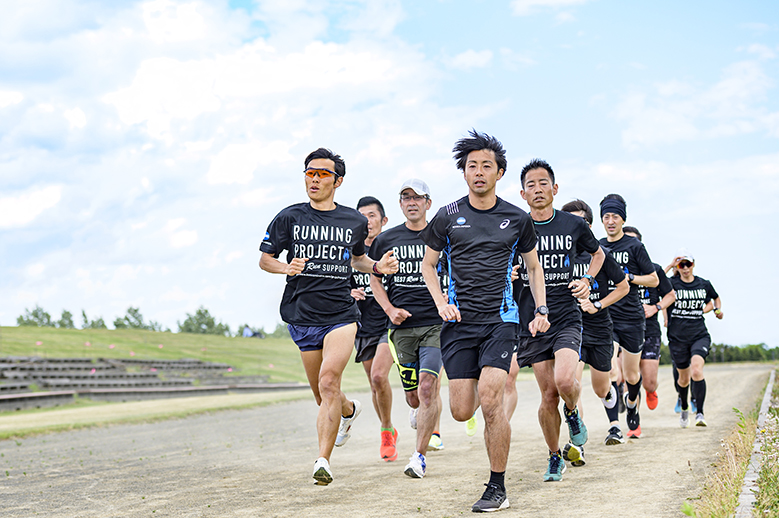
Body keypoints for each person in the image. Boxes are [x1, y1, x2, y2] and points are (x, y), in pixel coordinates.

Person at [419, 130, 547, 512]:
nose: (478, 172)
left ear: (499, 172)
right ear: (463, 173)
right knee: (461, 409)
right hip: (458, 323)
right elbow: (428, 265)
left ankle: (497, 487)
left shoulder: (516, 218)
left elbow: (534, 267)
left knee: (491, 400)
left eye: (486, 166)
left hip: (500, 320)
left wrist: (540, 310)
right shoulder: (446, 216)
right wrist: (441, 302)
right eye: (471, 166)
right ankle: (481, 410)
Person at [259, 148, 399, 485]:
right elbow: (265, 259)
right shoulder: (288, 217)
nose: (315, 179)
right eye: (310, 173)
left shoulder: (353, 221)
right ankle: (348, 411)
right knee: (323, 395)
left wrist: (378, 267)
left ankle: (323, 460)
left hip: (341, 315)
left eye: (323, 174)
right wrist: (284, 267)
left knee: (328, 382)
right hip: (302, 315)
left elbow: (358, 260)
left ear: (337, 180)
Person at [515, 163, 605, 480]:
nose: (538, 189)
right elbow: (502, 263)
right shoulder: (515, 225)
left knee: (566, 382)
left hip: (566, 315)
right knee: (548, 395)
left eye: (544, 183)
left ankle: (573, 412)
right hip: (532, 321)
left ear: (555, 189)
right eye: (531, 184)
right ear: (522, 193)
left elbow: (598, 255)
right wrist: (508, 273)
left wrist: (588, 281)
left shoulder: (572, 225)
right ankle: (554, 456)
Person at [369, 179, 446, 479]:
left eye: (418, 198)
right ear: (400, 205)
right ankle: (416, 411)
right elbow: (374, 275)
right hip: (401, 327)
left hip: (435, 323)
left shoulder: (441, 236)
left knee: (429, 387)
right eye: (406, 198)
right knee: (413, 397)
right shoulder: (386, 239)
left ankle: (419, 456)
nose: (412, 202)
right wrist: (389, 309)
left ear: (428, 203)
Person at [562, 200, 630, 447]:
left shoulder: (601, 255)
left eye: (579, 223)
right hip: (570, 328)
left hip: (599, 328)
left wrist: (598, 305)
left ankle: (614, 422)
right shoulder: (558, 258)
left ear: (588, 226)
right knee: (571, 382)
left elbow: (623, 287)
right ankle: (577, 441)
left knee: (601, 388)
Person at [599, 194, 659, 439]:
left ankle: (632, 402)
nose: (610, 221)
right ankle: (614, 426)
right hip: (607, 316)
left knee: (633, 375)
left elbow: (653, 279)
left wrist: (630, 278)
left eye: (615, 216)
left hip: (632, 318)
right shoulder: (597, 246)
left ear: (623, 219)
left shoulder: (634, 247)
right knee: (611, 369)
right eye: (606, 216)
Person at [350, 196, 397, 462]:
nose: (367, 222)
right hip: (363, 325)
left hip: (389, 322)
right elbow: (340, 284)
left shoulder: (390, 247)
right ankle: (388, 427)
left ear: (383, 220)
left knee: (379, 376)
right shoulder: (350, 253)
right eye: (362, 217)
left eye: (372, 216)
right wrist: (350, 293)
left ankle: (386, 430)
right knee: (374, 382)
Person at [622, 226, 676, 412]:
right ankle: (633, 421)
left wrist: (655, 308)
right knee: (628, 378)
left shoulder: (655, 270)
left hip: (649, 330)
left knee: (649, 382)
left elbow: (670, 295)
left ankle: (650, 390)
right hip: (624, 328)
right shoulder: (614, 269)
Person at [666, 252, 723, 427]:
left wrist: (715, 310)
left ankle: (700, 413)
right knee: (683, 379)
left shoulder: (703, 284)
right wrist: (669, 265)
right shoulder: (671, 283)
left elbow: (715, 298)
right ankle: (684, 407)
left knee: (697, 371)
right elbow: (655, 279)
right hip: (677, 337)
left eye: (687, 264)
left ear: (693, 265)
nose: (684, 268)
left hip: (699, 335)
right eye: (681, 265)